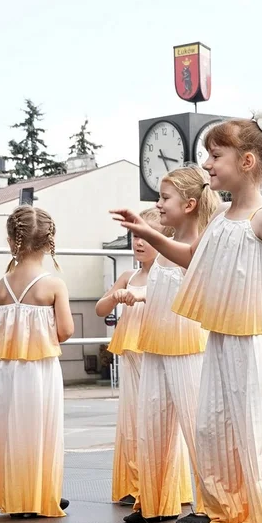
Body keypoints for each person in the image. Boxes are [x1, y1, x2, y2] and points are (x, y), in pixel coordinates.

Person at [114, 106, 262, 523]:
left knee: (253, 430)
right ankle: (227, 520)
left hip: (256, 342)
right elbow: (189, 258)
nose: (207, 165)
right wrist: (146, 229)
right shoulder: (220, 216)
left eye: (215, 155)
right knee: (213, 431)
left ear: (246, 162)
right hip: (222, 338)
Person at [125, 168, 212, 523]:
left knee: (195, 425)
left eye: (164, 198)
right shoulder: (165, 245)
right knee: (152, 422)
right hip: (157, 342)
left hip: (187, 342)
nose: (158, 204)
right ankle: (156, 500)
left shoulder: (199, 243)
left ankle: (208, 506)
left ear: (189, 205)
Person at [0, 206, 74, 518]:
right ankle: (41, 493)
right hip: (41, 370)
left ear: (12, 242)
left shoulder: (3, 284)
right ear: (50, 241)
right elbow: (66, 330)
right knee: (40, 430)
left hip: (7, 372)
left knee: (9, 430)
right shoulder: (54, 284)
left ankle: (14, 495)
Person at [96, 206, 158, 507]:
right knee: (132, 419)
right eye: (135, 236)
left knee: (154, 418)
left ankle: (160, 482)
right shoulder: (128, 275)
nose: (139, 242)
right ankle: (134, 482)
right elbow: (100, 309)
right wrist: (115, 296)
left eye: (145, 236)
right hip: (132, 354)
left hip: (156, 349)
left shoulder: (166, 274)